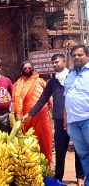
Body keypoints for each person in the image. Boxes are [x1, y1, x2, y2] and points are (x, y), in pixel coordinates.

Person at [22, 54, 84, 185]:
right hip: (59, 120)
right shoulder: (52, 82)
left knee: (79, 149)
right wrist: (30, 114)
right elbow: (43, 99)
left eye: (57, 62)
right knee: (60, 151)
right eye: (53, 63)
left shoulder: (73, 77)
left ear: (64, 61)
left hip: (75, 118)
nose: (55, 65)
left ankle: (80, 177)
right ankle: (58, 178)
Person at [13, 60, 53, 165]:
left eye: (29, 67)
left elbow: (49, 96)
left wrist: (52, 105)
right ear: (21, 70)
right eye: (25, 67)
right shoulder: (17, 84)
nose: (27, 69)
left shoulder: (40, 81)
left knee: (45, 140)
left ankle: (47, 165)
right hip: (27, 118)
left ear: (33, 69)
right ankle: (32, 165)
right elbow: (15, 102)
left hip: (42, 115)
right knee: (30, 141)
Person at [64, 44, 89, 186]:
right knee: (84, 155)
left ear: (87, 55)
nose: (77, 57)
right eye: (74, 55)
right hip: (73, 122)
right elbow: (67, 97)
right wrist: (66, 121)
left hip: (87, 119)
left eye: (80, 55)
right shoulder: (70, 74)